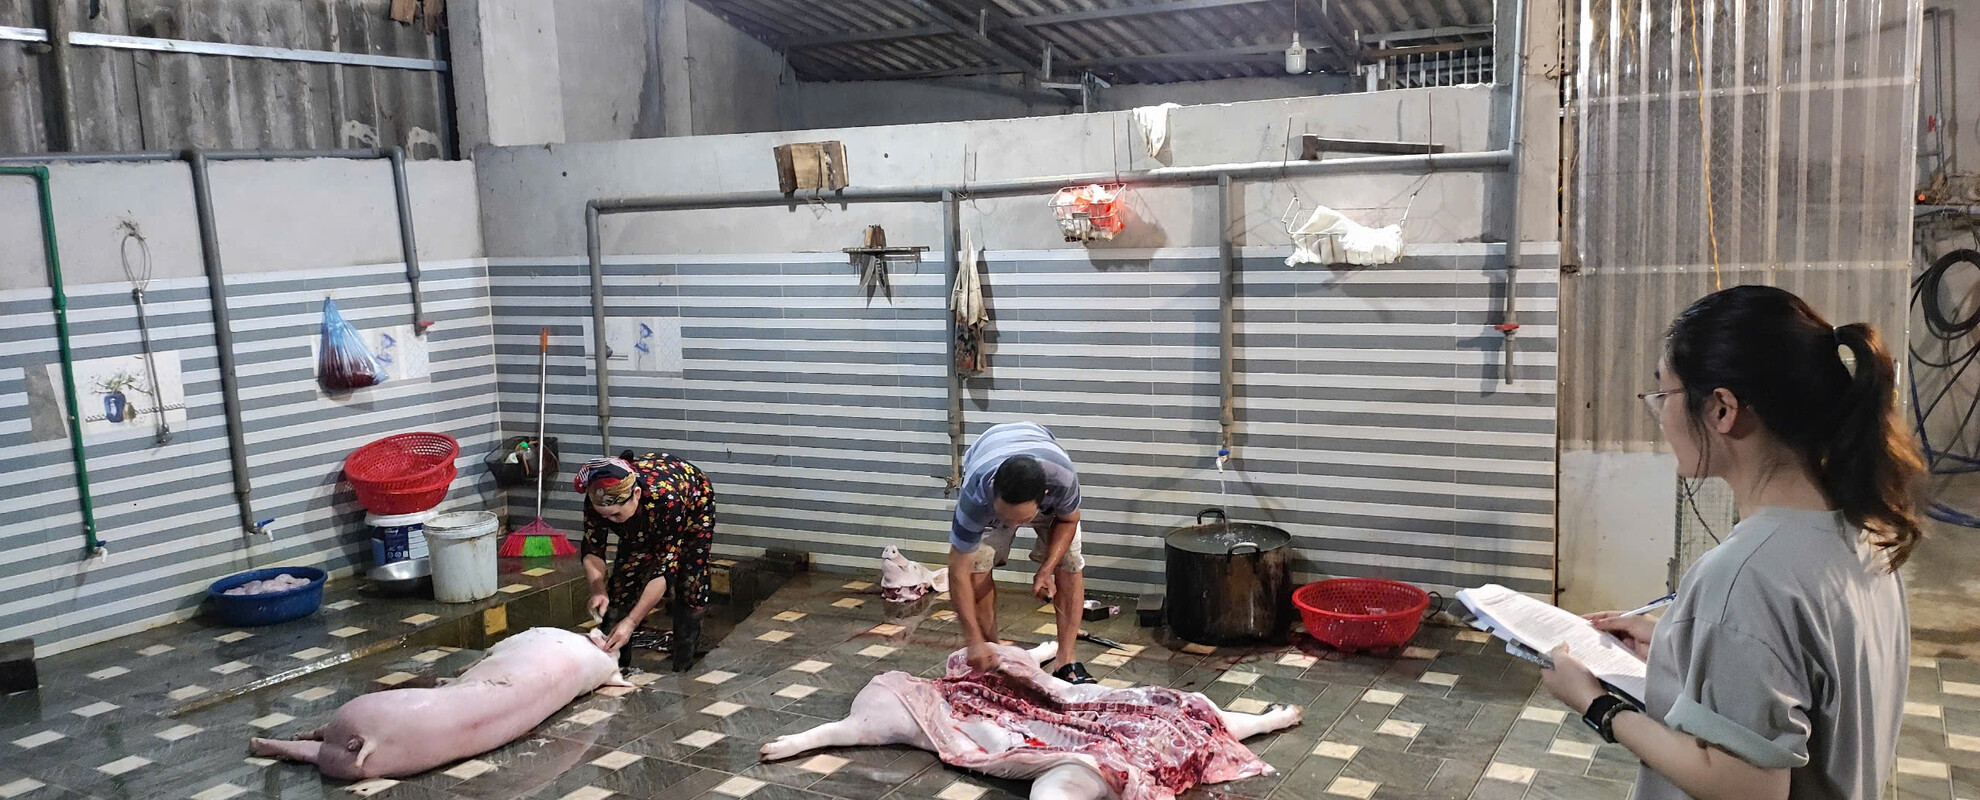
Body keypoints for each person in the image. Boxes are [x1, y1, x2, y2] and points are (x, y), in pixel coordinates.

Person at [1541, 286, 1922, 800]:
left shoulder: (1746, 576)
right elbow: (1804, 676)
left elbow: (1743, 786)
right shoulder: (1868, 531)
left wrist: (1596, 704)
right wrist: (1678, 641)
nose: (1662, 418)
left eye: (1665, 396)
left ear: (1723, 409)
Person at [948, 422, 1095, 684]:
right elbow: (957, 570)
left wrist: (1046, 569)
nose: (1015, 527)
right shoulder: (975, 495)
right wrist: (973, 640)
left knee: (1070, 563)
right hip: (988, 457)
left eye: (1022, 519)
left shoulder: (1062, 479)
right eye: (1007, 518)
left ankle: (1066, 659)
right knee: (977, 567)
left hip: (1043, 475)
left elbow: (1069, 520)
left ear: (1045, 496)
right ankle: (995, 652)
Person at [576, 451, 716, 671]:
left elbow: (664, 570)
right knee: (622, 582)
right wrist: (598, 589)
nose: (610, 521)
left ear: (636, 494)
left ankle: (683, 663)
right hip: (641, 519)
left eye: (615, 515)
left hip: (691, 506)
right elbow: (594, 547)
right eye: (604, 516)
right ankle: (614, 666)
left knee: (690, 580)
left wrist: (631, 623)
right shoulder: (597, 497)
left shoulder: (668, 500)